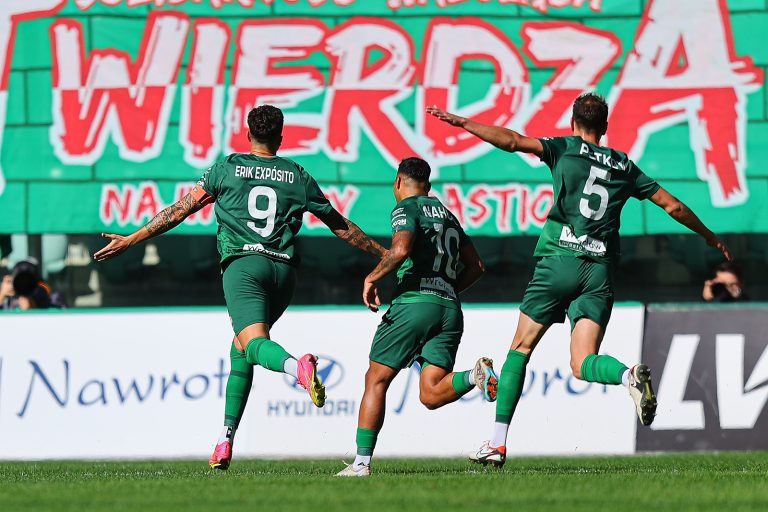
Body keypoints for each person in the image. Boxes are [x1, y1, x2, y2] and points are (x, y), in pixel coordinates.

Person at [427, 93, 733, 467]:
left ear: (573, 122)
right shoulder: (624, 166)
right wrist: (708, 235)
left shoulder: (564, 148)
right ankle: (626, 376)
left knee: (520, 349)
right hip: (599, 271)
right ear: (605, 128)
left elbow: (511, 141)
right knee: (582, 361)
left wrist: (464, 122)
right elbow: (674, 206)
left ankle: (497, 443)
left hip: (559, 260)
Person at [94, 104, 386, 470]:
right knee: (241, 347)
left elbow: (179, 210)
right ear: (281, 137)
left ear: (247, 134)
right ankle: (225, 438)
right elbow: (340, 225)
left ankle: (297, 368)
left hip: (244, 267)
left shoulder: (226, 168)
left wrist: (132, 239)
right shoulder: (298, 176)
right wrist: (385, 255)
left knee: (253, 341)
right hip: (283, 273)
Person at [336, 157, 499, 477]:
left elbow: (401, 249)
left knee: (376, 379)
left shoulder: (406, 208)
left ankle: (361, 464)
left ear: (398, 182)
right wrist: (447, 289)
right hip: (449, 309)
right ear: (429, 185)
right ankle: (475, 376)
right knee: (431, 392)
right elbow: (477, 266)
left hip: (414, 303)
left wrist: (372, 278)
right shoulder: (448, 217)